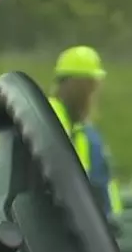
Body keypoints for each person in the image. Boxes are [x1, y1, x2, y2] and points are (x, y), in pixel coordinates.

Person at [48, 45, 122, 224]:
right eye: (89, 85)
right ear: (72, 85)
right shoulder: (49, 122)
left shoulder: (82, 130)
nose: (93, 94)